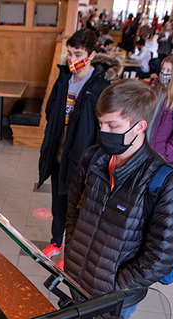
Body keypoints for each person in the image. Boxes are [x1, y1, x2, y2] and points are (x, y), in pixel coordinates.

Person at [65, 79, 173, 319]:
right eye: (101, 124)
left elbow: (160, 260)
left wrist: (112, 287)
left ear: (139, 126)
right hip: (79, 283)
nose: (103, 132)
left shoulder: (164, 183)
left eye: (113, 126)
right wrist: (73, 253)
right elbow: (73, 211)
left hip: (114, 299)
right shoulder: (92, 159)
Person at [37, 29, 119, 259]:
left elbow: (101, 130)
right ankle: (56, 242)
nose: (72, 59)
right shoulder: (64, 79)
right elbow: (50, 110)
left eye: (78, 53)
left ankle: (73, 253)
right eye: (70, 53)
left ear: (91, 54)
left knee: (77, 210)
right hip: (57, 156)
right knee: (58, 205)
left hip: (81, 161)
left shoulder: (99, 87)